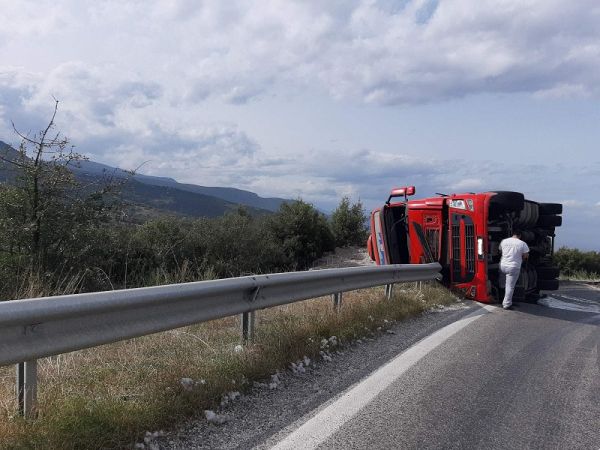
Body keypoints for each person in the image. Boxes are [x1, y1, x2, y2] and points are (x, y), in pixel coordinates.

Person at [499, 229, 529, 310]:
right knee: (510, 286)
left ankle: (499, 298)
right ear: (520, 235)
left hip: (503, 265)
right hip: (513, 267)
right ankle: (506, 304)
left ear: (513, 234)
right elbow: (526, 256)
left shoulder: (504, 241)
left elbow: (500, 250)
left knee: (502, 284)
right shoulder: (522, 244)